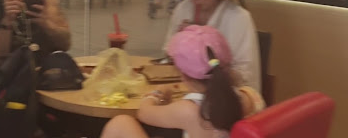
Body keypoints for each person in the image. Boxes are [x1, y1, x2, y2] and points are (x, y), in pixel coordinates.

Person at [100, 26, 264, 138]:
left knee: (121, 123)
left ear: (183, 75)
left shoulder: (188, 110)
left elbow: (144, 112)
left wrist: (156, 94)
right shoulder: (245, 98)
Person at [161, 0, 261, 91]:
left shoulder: (238, 18)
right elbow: (169, 52)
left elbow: (245, 74)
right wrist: (179, 44)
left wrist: (203, 49)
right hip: (186, 88)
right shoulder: (184, 8)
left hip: (227, 93)